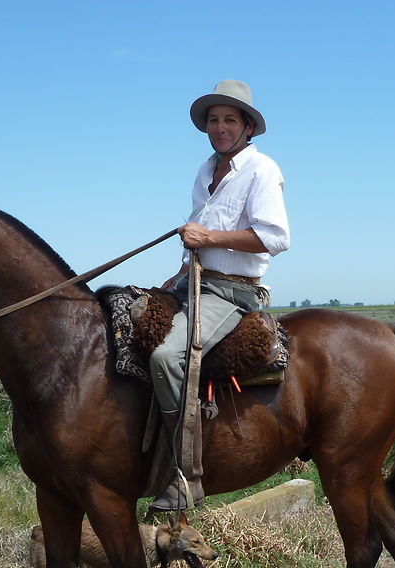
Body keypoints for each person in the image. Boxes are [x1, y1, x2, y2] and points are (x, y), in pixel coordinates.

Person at [148, 79, 290, 512]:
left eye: (230, 119)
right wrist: (177, 273)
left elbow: (275, 237)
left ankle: (183, 475)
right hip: (194, 280)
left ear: (248, 127)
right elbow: (198, 238)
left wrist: (209, 234)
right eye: (214, 119)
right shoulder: (205, 169)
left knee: (166, 357)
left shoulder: (262, 169)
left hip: (233, 292)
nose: (220, 127)